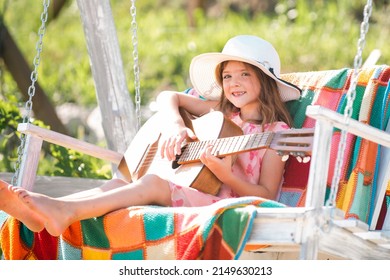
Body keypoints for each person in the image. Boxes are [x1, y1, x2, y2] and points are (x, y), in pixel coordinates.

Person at [0, 35, 301, 237]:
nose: (234, 83)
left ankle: (64, 210)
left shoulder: (275, 135)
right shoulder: (220, 112)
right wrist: (174, 125)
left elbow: (267, 195)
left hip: (225, 204)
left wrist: (228, 175)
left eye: (244, 74)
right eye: (227, 76)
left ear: (265, 79)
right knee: (120, 181)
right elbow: (170, 96)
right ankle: (40, 215)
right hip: (195, 189)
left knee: (152, 182)